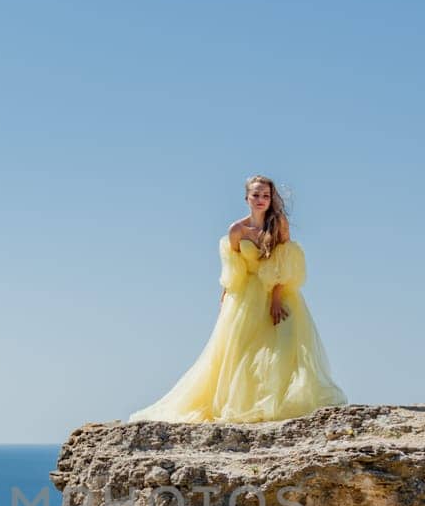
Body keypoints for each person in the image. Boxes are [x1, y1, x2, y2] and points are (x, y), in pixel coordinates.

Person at [126, 175, 347, 424]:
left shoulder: (279, 224)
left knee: (283, 344)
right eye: (256, 195)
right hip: (244, 296)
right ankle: (241, 403)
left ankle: (278, 400)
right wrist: (227, 299)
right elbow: (233, 269)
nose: (261, 200)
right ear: (246, 198)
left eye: (266, 195)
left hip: (278, 290)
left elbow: (285, 263)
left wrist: (275, 298)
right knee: (240, 351)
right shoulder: (237, 230)